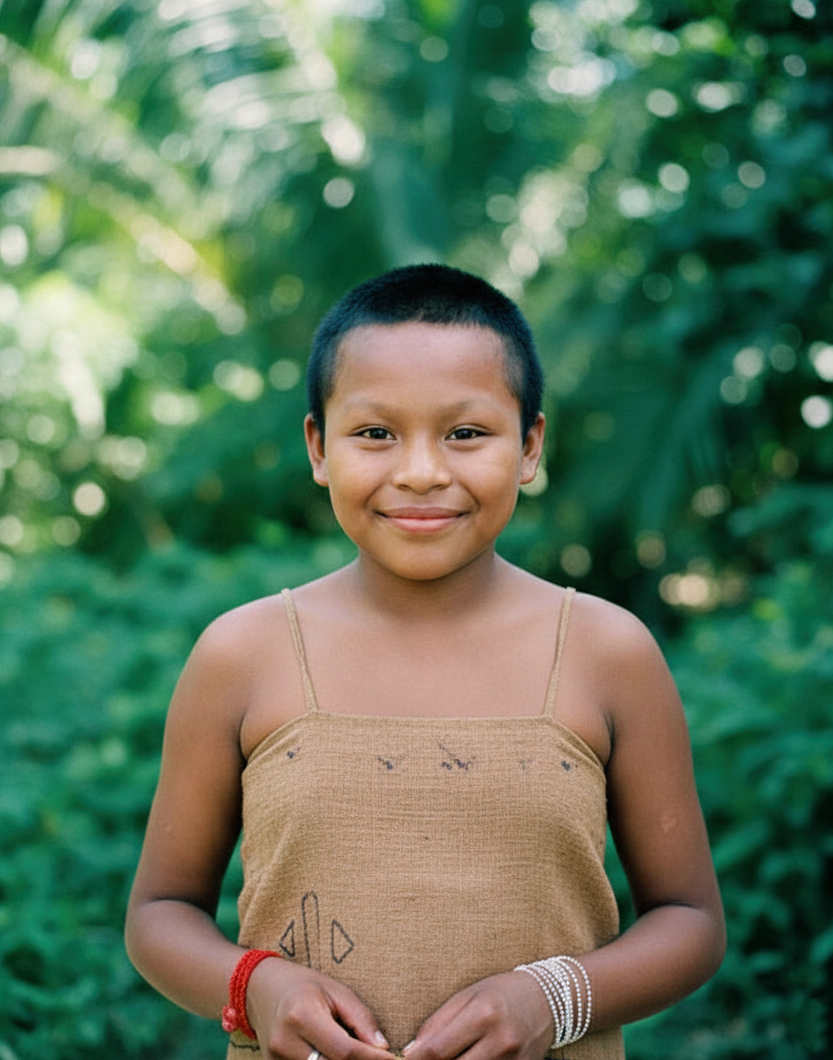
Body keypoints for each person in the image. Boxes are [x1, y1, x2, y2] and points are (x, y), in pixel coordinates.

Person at [125, 264, 725, 1060]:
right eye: (375, 433)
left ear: (529, 446)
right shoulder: (244, 654)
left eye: (465, 433)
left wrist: (550, 1000)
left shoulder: (605, 652)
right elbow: (160, 912)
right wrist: (257, 988)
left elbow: (689, 922)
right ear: (318, 446)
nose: (419, 471)